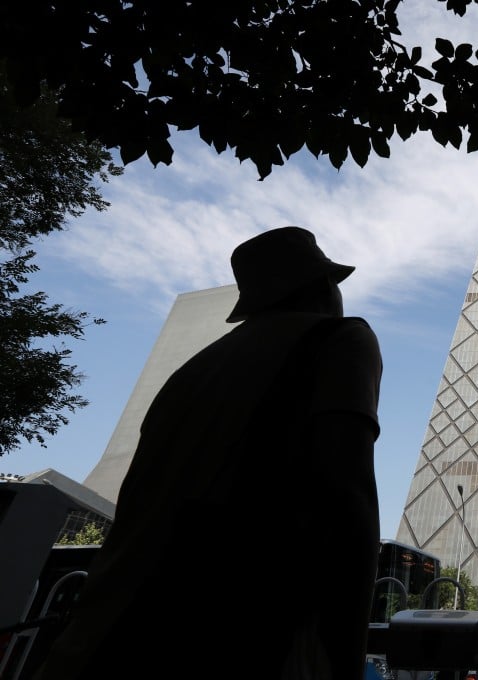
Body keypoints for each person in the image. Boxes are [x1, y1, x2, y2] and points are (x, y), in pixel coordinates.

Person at [32, 226, 383, 680]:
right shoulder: (338, 339)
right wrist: (345, 648)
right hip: (239, 624)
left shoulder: (190, 372)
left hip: (115, 623)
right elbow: (347, 492)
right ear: (319, 287)